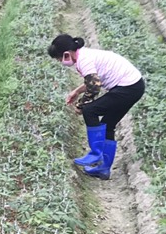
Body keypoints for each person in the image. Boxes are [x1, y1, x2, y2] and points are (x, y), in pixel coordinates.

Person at [48, 33, 145, 180]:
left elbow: (94, 88)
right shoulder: (84, 55)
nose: (60, 61)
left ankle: (96, 153)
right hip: (134, 86)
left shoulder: (83, 60)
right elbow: (92, 80)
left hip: (127, 87)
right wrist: (76, 91)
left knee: (90, 110)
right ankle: (103, 169)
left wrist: (81, 105)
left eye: (59, 58)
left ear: (66, 54)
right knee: (108, 124)